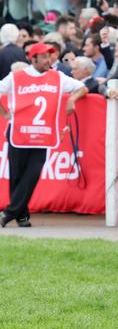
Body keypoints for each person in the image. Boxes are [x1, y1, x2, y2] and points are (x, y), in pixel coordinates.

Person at [0, 42, 88, 227]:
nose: (49, 60)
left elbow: (82, 87)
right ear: (33, 59)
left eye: (50, 56)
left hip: (42, 136)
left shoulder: (57, 77)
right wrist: (4, 112)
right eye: (44, 57)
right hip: (18, 133)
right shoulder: (16, 77)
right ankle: (22, 217)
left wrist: (72, 99)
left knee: (32, 175)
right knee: (17, 177)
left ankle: (8, 213)